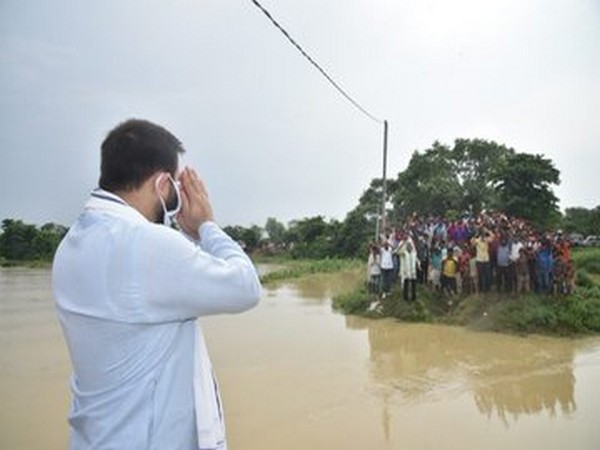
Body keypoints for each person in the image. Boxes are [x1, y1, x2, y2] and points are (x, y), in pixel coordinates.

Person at [52, 119, 262, 450]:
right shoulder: (145, 243)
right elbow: (246, 287)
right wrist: (206, 226)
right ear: (163, 183)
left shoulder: (72, 244)